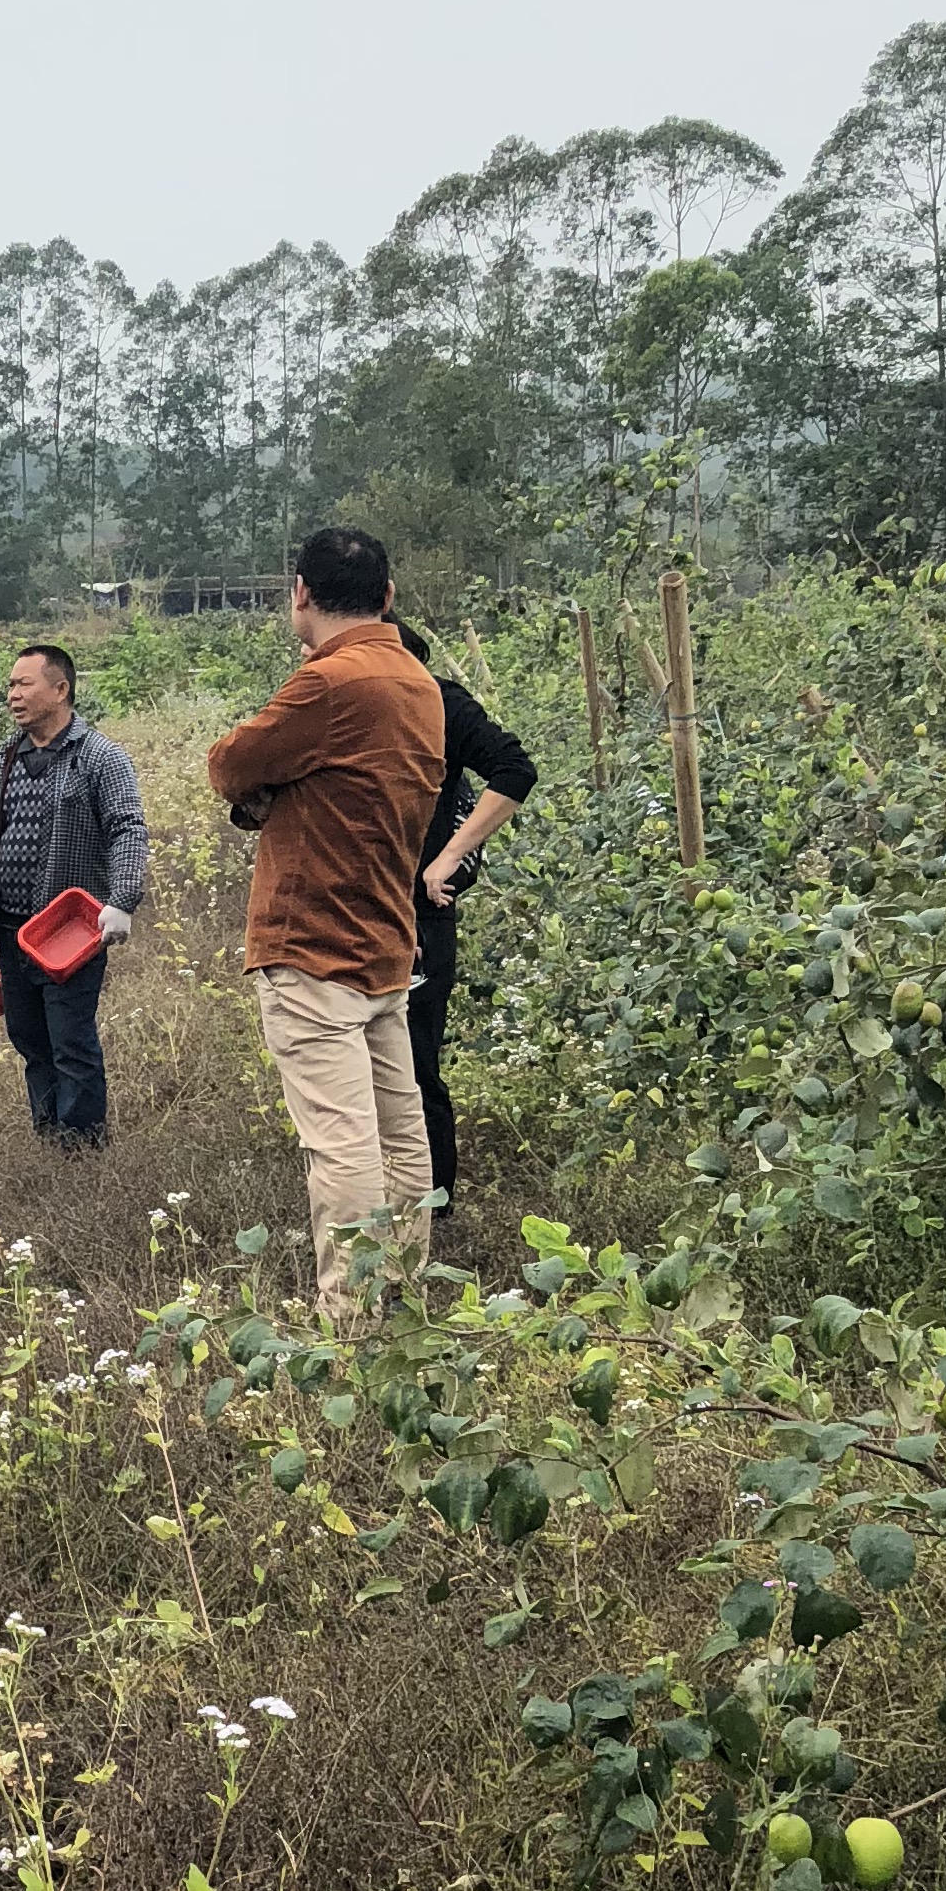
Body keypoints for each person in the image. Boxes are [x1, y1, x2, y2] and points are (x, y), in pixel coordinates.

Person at [204, 527, 448, 1325]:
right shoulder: (416, 682)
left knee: (341, 1148)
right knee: (400, 1136)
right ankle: (403, 1301)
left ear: (300, 593)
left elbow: (231, 764)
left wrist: (269, 791)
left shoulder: (330, 683)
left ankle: (351, 1322)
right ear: (387, 596)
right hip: (384, 940)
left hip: (313, 946)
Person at [0, 641, 149, 1147]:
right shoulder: (9, 756)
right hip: (12, 929)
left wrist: (122, 899)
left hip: (69, 931)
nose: (12, 695)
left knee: (70, 1040)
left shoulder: (100, 757)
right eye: (10, 685)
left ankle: (81, 1147)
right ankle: (48, 1135)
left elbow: (127, 828)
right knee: (29, 1038)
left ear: (60, 690)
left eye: (24, 684)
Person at [395, 621, 537, 1210]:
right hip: (356, 910)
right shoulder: (336, 704)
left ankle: (434, 1204)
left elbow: (514, 769)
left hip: (421, 913)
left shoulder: (438, 703)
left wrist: (450, 855)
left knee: (414, 1061)